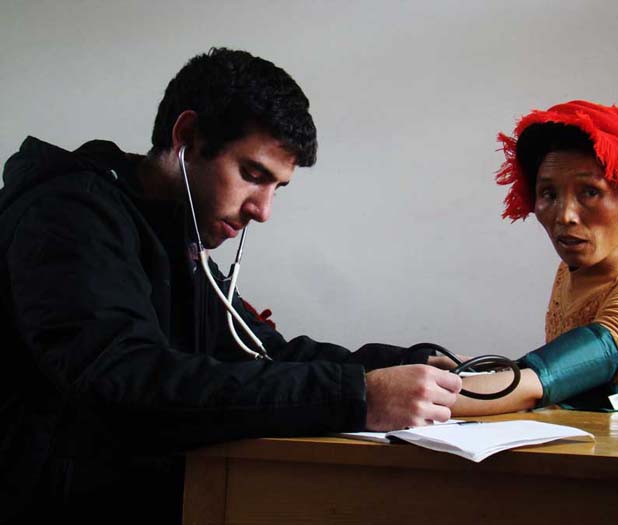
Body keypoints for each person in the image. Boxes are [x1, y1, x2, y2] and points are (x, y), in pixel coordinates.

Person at [0, 48, 462, 524]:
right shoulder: (68, 217)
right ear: (187, 138)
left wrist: (409, 364)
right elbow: (128, 384)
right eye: (253, 175)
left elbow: (261, 353)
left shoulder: (179, 232)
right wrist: (358, 397)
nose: (263, 210)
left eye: (277, 187)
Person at [452, 100, 618, 418]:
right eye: (549, 194)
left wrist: (373, 400)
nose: (565, 216)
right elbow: (557, 376)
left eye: (589, 192)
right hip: (593, 461)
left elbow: (543, 381)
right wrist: (453, 367)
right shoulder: (574, 271)